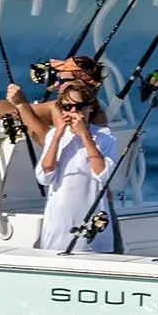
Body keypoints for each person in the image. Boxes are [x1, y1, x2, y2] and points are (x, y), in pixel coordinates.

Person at [0, 54, 109, 144]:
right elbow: (13, 111)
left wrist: (21, 104)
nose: (57, 86)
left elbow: (47, 143)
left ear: (79, 82)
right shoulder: (98, 108)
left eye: (61, 81)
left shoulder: (67, 110)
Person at [35, 81, 119, 253]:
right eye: (67, 107)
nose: (73, 112)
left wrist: (84, 134)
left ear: (89, 108)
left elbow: (102, 173)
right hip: (58, 226)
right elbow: (45, 176)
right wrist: (58, 135)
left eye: (79, 107)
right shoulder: (54, 136)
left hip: (93, 225)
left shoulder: (104, 137)